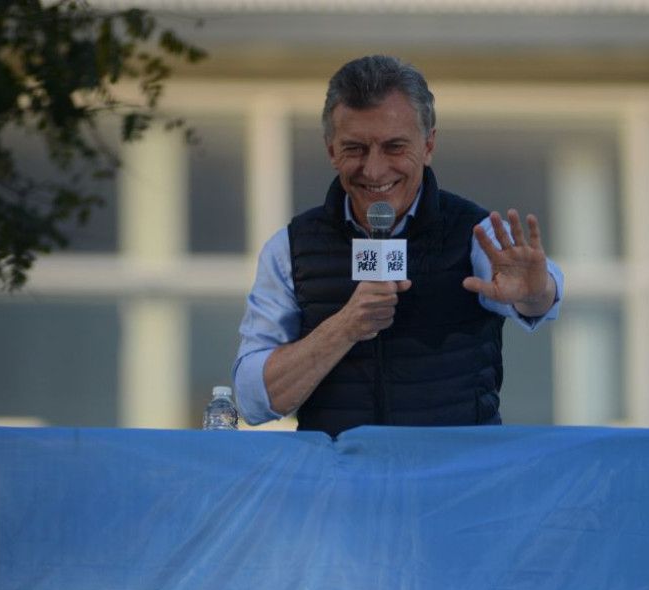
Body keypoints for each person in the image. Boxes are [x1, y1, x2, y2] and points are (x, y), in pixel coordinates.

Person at [232, 55, 563, 436]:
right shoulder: (290, 248)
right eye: (354, 148)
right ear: (330, 150)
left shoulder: (476, 234)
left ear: (428, 145)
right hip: (340, 486)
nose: (374, 170)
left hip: (454, 485)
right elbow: (251, 402)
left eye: (394, 147)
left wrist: (535, 293)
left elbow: (540, 296)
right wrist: (345, 327)